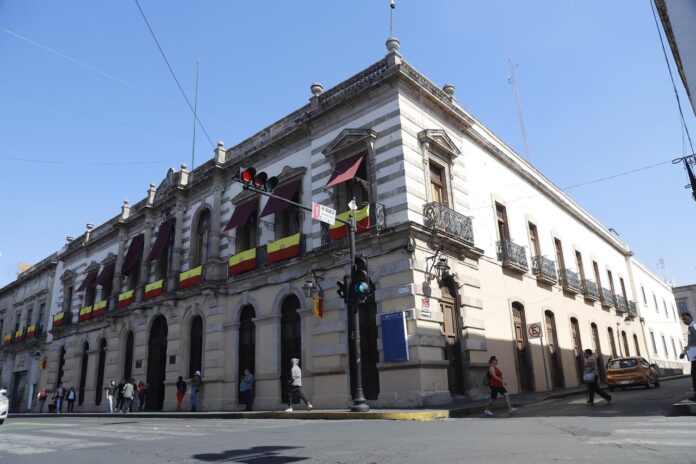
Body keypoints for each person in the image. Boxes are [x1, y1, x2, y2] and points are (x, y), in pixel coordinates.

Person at [679, 312, 696, 401]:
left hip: (695, 355)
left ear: (690, 317)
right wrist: (684, 352)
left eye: (685, 319)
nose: (684, 321)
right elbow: (690, 344)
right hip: (693, 355)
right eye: (683, 320)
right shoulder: (690, 328)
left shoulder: (694, 325)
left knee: (695, 374)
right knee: (694, 374)